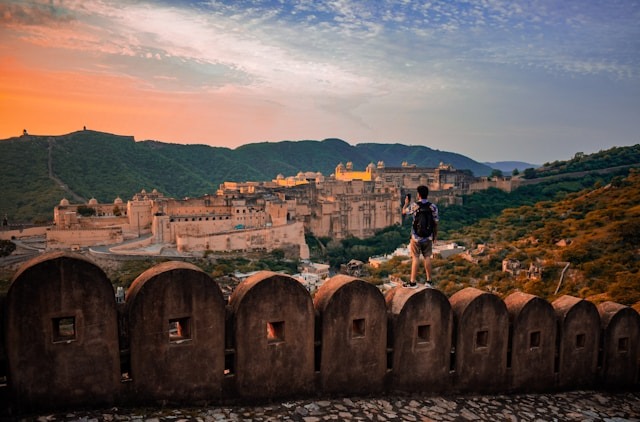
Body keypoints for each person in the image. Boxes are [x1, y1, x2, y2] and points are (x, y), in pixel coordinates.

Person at [402, 185, 439, 288]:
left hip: (416, 237)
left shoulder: (415, 206)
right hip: (428, 237)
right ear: (427, 194)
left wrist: (406, 204)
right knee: (427, 257)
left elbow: (404, 212)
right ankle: (429, 281)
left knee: (415, 258)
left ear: (418, 194)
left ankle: (413, 282)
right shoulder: (433, 207)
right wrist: (435, 236)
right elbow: (436, 223)